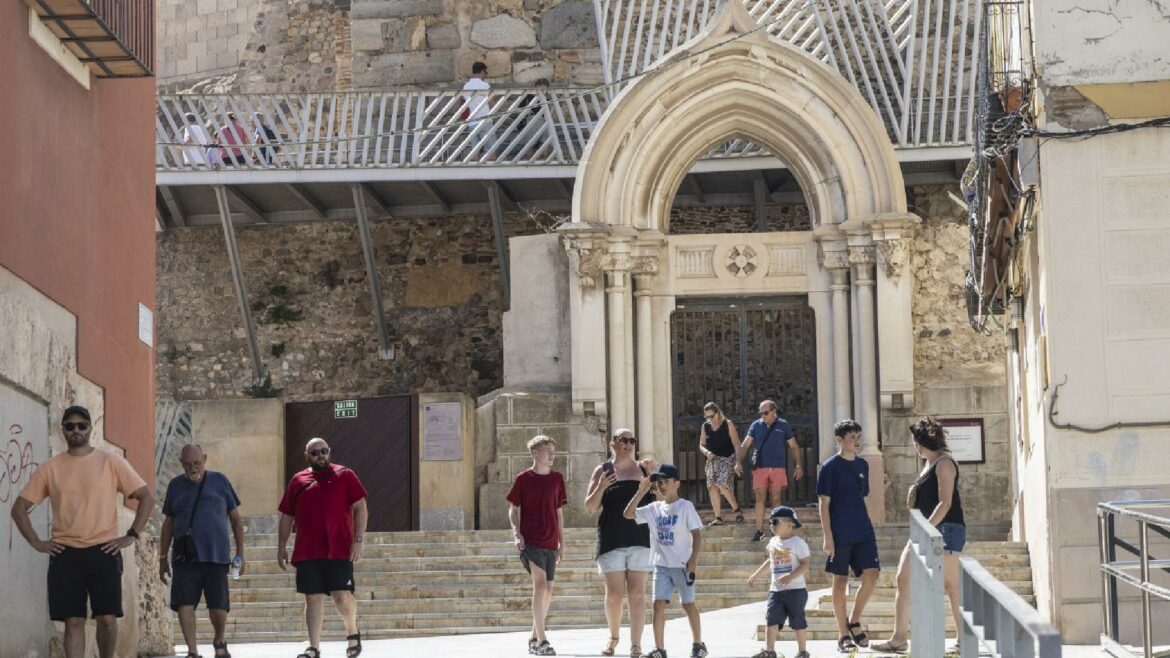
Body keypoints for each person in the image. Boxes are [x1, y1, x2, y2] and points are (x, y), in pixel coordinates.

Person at [9, 405, 156, 658]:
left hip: (104, 550)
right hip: (66, 554)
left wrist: (132, 534)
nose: (76, 430)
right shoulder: (50, 468)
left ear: (90, 428)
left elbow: (146, 497)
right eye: (70, 426)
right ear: (63, 429)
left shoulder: (111, 461)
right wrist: (36, 542)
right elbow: (19, 509)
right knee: (73, 622)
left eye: (81, 425)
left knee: (107, 619)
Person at [873, 417, 967, 654]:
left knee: (951, 585)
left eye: (915, 441)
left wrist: (925, 531)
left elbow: (945, 504)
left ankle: (963, 639)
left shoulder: (944, 464)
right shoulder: (928, 463)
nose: (914, 446)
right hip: (925, 529)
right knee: (903, 579)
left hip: (946, 529)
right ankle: (899, 638)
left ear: (919, 442)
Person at [277, 438, 369, 658]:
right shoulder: (298, 480)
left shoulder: (345, 475)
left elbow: (360, 507)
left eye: (324, 451)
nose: (321, 455)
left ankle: (352, 631)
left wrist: (358, 539)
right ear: (307, 455)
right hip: (307, 550)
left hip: (339, 548)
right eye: (315, 452)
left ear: (330, 453)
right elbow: (287, 516)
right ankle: (314, 647)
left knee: (342, 596)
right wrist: (281, 546)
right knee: (312, 598)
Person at [159, 443, 246, 658]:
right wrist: (162, 557)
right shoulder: (174, 486)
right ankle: (192, 651)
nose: (192, 468)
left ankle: (219, 639)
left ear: (204, 459)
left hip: (216, 556)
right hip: (185, 557)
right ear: (181, 463)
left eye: (196, 463)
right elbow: (168, 524)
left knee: (218, 606)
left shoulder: (220, 481)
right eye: (187, 464)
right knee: (185, 604)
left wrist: (240, 554)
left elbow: (235, 519)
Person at [584, 429, 656, 658]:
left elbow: (663, 501)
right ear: (612, 443)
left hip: (640, 538)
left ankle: (636, 645)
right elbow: (590, 507)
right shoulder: (603, 470)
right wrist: (602, 486)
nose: (628, 444)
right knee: (614, 594)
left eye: (632, 440)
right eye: (623, 440)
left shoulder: (644, 468)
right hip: (611, 537)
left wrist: (655, 477)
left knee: (637, 593)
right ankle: (613, 638)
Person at [624, 464, 707, 658]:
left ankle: (698, 644)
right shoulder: (654, 508)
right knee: (658, 605)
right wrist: (641, 492)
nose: (662, 486)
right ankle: (659, 649)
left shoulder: (685, 506)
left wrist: (693, 560)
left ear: (676, 483)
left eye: (666, 481)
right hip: (661, 565)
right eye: (659, 482)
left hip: (682, 565)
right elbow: (628, 514)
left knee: (688, 604)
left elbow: (696, 535)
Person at [816, 419, 879, 653]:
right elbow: (823, 503)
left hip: (862, 530)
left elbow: (862, 496)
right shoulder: (829, 467)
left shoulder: (863, 465)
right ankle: (843, 634)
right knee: (840, 581)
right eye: (852, 437)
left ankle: (854, 620)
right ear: (839, 440)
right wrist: (827, 536)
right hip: (839, 532)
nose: (857, 441)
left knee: (872, 575)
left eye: (859, 437)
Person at [507, 435, 566, 656]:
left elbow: (559, 513)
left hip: (551, 542)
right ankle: (542, 641)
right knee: (540, 586)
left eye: (553, 450)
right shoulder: (523, 479)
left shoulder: (557, 479)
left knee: (549, 589)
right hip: (530, 541)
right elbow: (513, 510)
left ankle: (533, 635)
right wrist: (516, 534)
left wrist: (562, 542)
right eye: (547, 450)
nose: (552, 454)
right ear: (535, 453)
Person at [747, 506, 811, 658]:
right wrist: (756, 574)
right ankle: (770, 651)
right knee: (771, 619)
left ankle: (802, 651)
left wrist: (790, 576)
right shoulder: (773, 542)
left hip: (796, 590)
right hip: (775, 590)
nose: (771, 525)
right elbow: (770, 561)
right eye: (770, 522)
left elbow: (805, 564)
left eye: (775, 522)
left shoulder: (798, 543)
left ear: (790, 524)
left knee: (797, 621)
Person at [740, 400, 803, 542]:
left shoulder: (783, 425)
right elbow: (745, 445)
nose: (762, 415)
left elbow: (793, 446)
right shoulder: (756, 425)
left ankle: (777, 531)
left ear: (774, 411)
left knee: (776, 498)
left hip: (777, 467)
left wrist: (798, 465)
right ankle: (759, 530)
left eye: (765, 413)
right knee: (760, 497)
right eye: (760, 413)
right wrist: (738, 462)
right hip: (760, 467)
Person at [697, 402, 744, 526]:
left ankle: (736, 509)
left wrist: (738, 462)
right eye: (707, 417)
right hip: (712, 459)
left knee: (722, 483)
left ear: (718, 413)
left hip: (727, 458)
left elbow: (737, 444)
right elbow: (701, 444)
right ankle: (718, 517)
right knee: (712, 487)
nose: (709, 419)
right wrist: (706, 452)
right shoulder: (705, 426)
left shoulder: (727, 424)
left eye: (711, 416)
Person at [461, 61, 496, 158]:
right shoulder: (485, 85)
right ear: (482, 71)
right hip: (485, 120)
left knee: (474, 152)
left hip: (472, 122)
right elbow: (492, 104)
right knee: (491, 151)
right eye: (485, 72)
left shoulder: (466, 86)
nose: (485, 75)